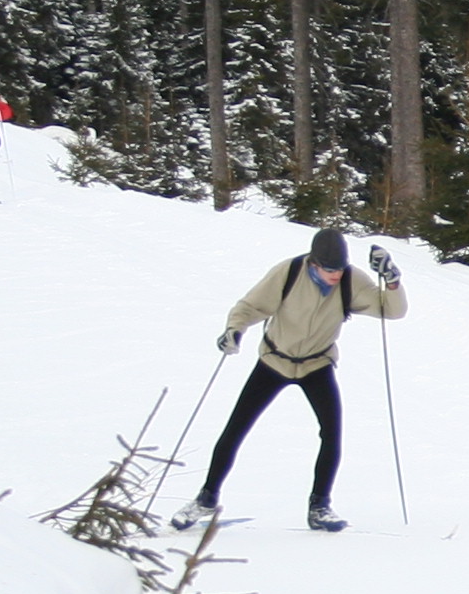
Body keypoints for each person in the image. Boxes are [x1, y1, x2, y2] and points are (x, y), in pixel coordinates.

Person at [173, 227, 407, 534]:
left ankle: (320, 507)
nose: (335, 275)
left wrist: (392, 280)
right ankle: (206, 498)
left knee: (332, 434)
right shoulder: (289, 272)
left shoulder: (351, 280)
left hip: (317, 365)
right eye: (329, 269)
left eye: (339, 269)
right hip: (274, 361)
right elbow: (250, 306)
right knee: (236, 428)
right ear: (313, 262)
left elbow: (393, 311)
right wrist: (234, 330)